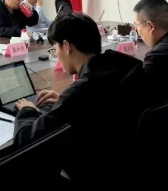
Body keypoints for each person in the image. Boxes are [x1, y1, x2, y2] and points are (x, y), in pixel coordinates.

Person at [13, 13, 145, 189]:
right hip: (134, 167)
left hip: (97, 176)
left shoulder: (82, 91)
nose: (56, 54)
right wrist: (63, 100)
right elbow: (97, 103)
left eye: (55, 48)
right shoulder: (125, 65)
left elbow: (27, 140)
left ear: (66, 46)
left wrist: (27, 110)